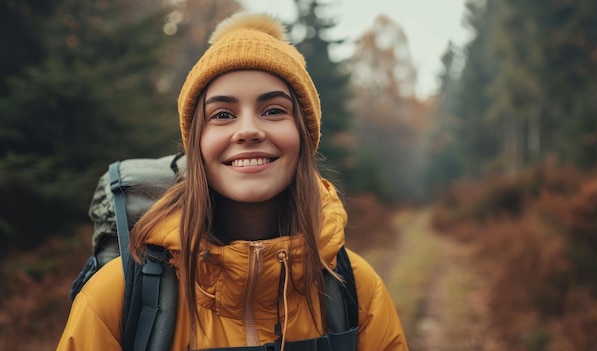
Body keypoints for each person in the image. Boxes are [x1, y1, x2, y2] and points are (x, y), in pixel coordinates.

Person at [56, 12, 408, 350]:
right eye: (222, 114)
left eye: (273, 110)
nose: (249, 130)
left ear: (304, 135)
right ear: (197, 144)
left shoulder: (357, 291)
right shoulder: (114, 297)